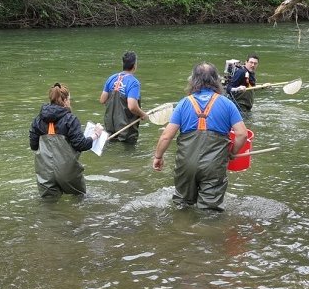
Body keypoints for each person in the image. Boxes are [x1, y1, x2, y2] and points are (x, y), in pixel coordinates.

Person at [153, 62, 249, 211]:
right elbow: (242, 134)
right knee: (210, 211)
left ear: (193, 80)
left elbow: (166, 136)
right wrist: (231, 153)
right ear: (216, 81)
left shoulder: (183, 103)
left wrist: (158, 157)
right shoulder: (227, 104)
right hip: (214, 165)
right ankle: (205, 232)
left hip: (186, 165)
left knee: (182, 206)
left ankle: (179, 231)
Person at [30, 82, 103, 197]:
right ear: (64, 100)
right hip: (67, 172)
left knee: (48, 206)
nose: (70, 102)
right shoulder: (70, 119)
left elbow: (33, 146)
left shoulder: (37, 121)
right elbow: (81, 145)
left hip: (45, 173)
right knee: (80, 199)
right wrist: (96, 135)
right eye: (69, 99)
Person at [99, 51, 148, 144]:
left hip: (110, 127)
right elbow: (132, 106)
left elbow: (102, 100)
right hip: (126, 130)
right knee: (127, 155)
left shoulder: (111, 78)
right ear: (134, 65)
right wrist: (142, 114)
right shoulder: (134, 82)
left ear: (123, 64)